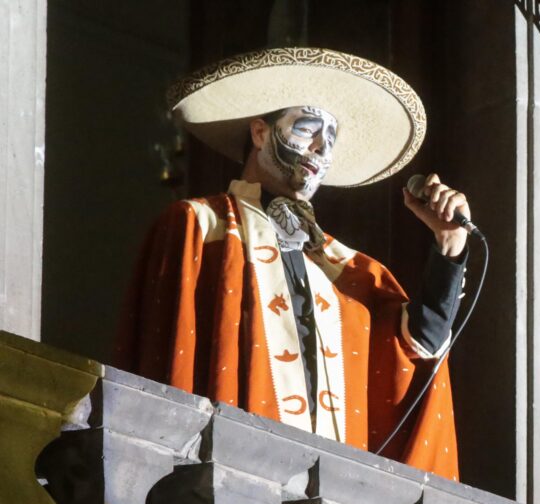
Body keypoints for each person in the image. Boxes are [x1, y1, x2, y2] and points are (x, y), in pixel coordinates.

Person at [115, 48, 469, 479]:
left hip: (334, 501)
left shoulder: (352, 271)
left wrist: (449, 246)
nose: (321, 148)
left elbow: (417, 351)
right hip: (223, 482)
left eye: (331, 139)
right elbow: (164, 365)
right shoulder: (197, 226)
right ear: (261, 132)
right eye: (307, 129)